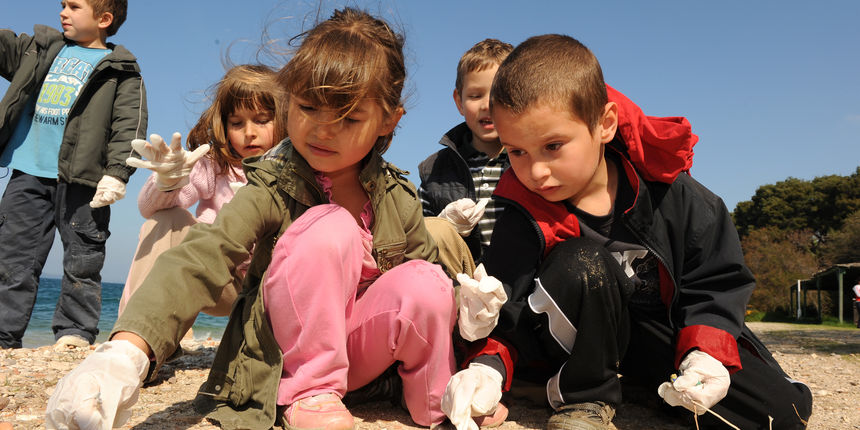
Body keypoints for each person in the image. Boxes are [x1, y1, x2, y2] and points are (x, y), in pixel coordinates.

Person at [45, 8, 459, 430]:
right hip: (288, 358)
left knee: (428, 279)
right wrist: (126, 353)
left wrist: (476, 340)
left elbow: (428, 286)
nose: (323, 129)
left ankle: (438, 399)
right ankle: (309, 391)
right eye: (308, 107)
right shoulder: (273, 182)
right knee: (330, 224)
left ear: (389, 120)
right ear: (289, 97)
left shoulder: (396, 195)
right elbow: (205, 253)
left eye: (348, 117)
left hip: (364, 360)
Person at [443, 35, 813, 430]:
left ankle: (645, 386)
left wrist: (704, 354)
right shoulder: (521, 210)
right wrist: (486, 368)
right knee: (582, 261)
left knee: (780, 415)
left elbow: (715, 281)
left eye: (553, 146)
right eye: (517, 151)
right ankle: (586, 396)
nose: (535, 171)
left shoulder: (674, 195)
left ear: (604, 124)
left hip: (660, 335)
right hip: (572, 344)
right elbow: (509, 304)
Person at [0, 0, 147, 349]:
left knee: (83, 259)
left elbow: (130, 125)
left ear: (104, 19)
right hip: (28, 172)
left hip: (86, 181)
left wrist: (117, 173)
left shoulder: (122, 70)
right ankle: (3, 335)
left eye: (74, 6)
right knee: (11, 257)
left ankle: (75, 332)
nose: (63, 12)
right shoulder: (39, 49)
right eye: (63, 4)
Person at [118, 64, 286, 323]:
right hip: (220, 280)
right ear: (224, 125)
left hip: (275, 286)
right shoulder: (215, 165)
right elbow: (148, 210)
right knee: (166, 219)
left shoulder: (296, 169)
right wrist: (168, 181)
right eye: (237, 123)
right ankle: (134, 331)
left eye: (262, 120)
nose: (250, 133)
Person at [418, 39, 513, 266]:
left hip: (522, 277)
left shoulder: (532, 160)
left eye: (498, 95)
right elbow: (418, 235)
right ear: (459, 101)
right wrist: (444, 225)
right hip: (461, 276)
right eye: (475, 96)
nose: (486, 105)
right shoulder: (435, 170)